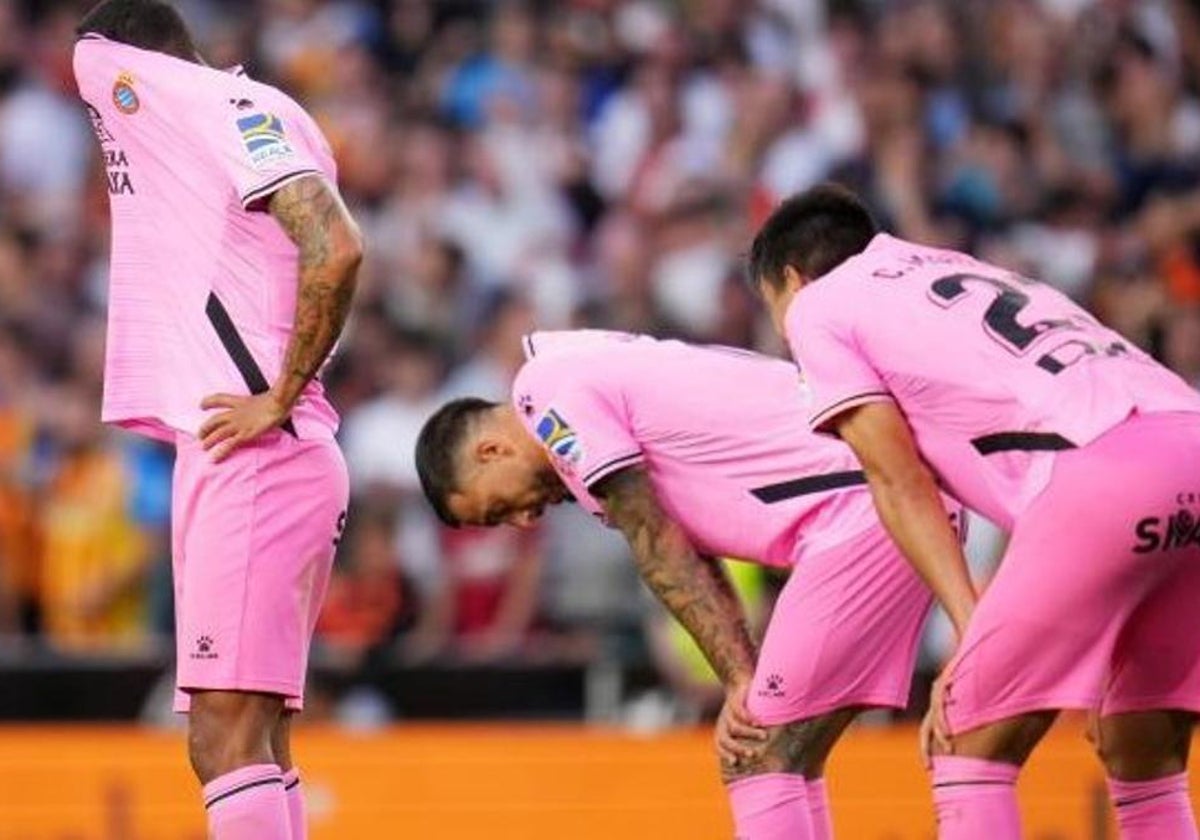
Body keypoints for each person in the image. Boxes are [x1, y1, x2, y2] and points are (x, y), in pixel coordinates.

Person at [748, 183, 1200, 840]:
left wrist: (969, 633)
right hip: (1188, 439)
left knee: (966, 738)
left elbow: (897, 479)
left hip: (1101, 473)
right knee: (1144, 753)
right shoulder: (958, 267)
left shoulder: (820, 305)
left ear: (791, 277)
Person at [415, 329, 962, 839]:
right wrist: (742, 673)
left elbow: (657, 544)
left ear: (491, 452)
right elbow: (690, 543)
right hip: (887, 500)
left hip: (864, 507)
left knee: (754, 751)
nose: (523, 522)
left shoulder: (548, 394)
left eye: (498, 509)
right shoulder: (580, 374)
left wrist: (738, 679)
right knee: (787, 754)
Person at [72, 2, 363, 838]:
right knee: (250, 736)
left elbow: (336, 244)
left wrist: (278, 393)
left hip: (261, 451)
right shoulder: (225, 117)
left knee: (223, 735)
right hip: (247, 452)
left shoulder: (229, 106)